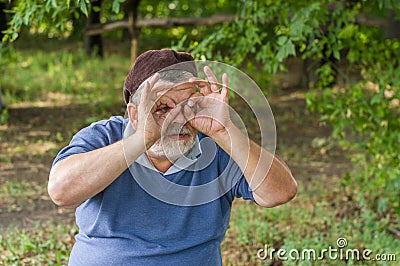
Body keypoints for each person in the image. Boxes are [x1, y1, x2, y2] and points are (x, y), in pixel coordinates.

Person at [48, 49, 297, 265]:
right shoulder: (103, 137)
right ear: (134, 114)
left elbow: (281, 192)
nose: (178, 119)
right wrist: (141, 139)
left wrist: (226, 131)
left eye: (188, 106)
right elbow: (61, 192)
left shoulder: (215, 145)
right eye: (163, 108)